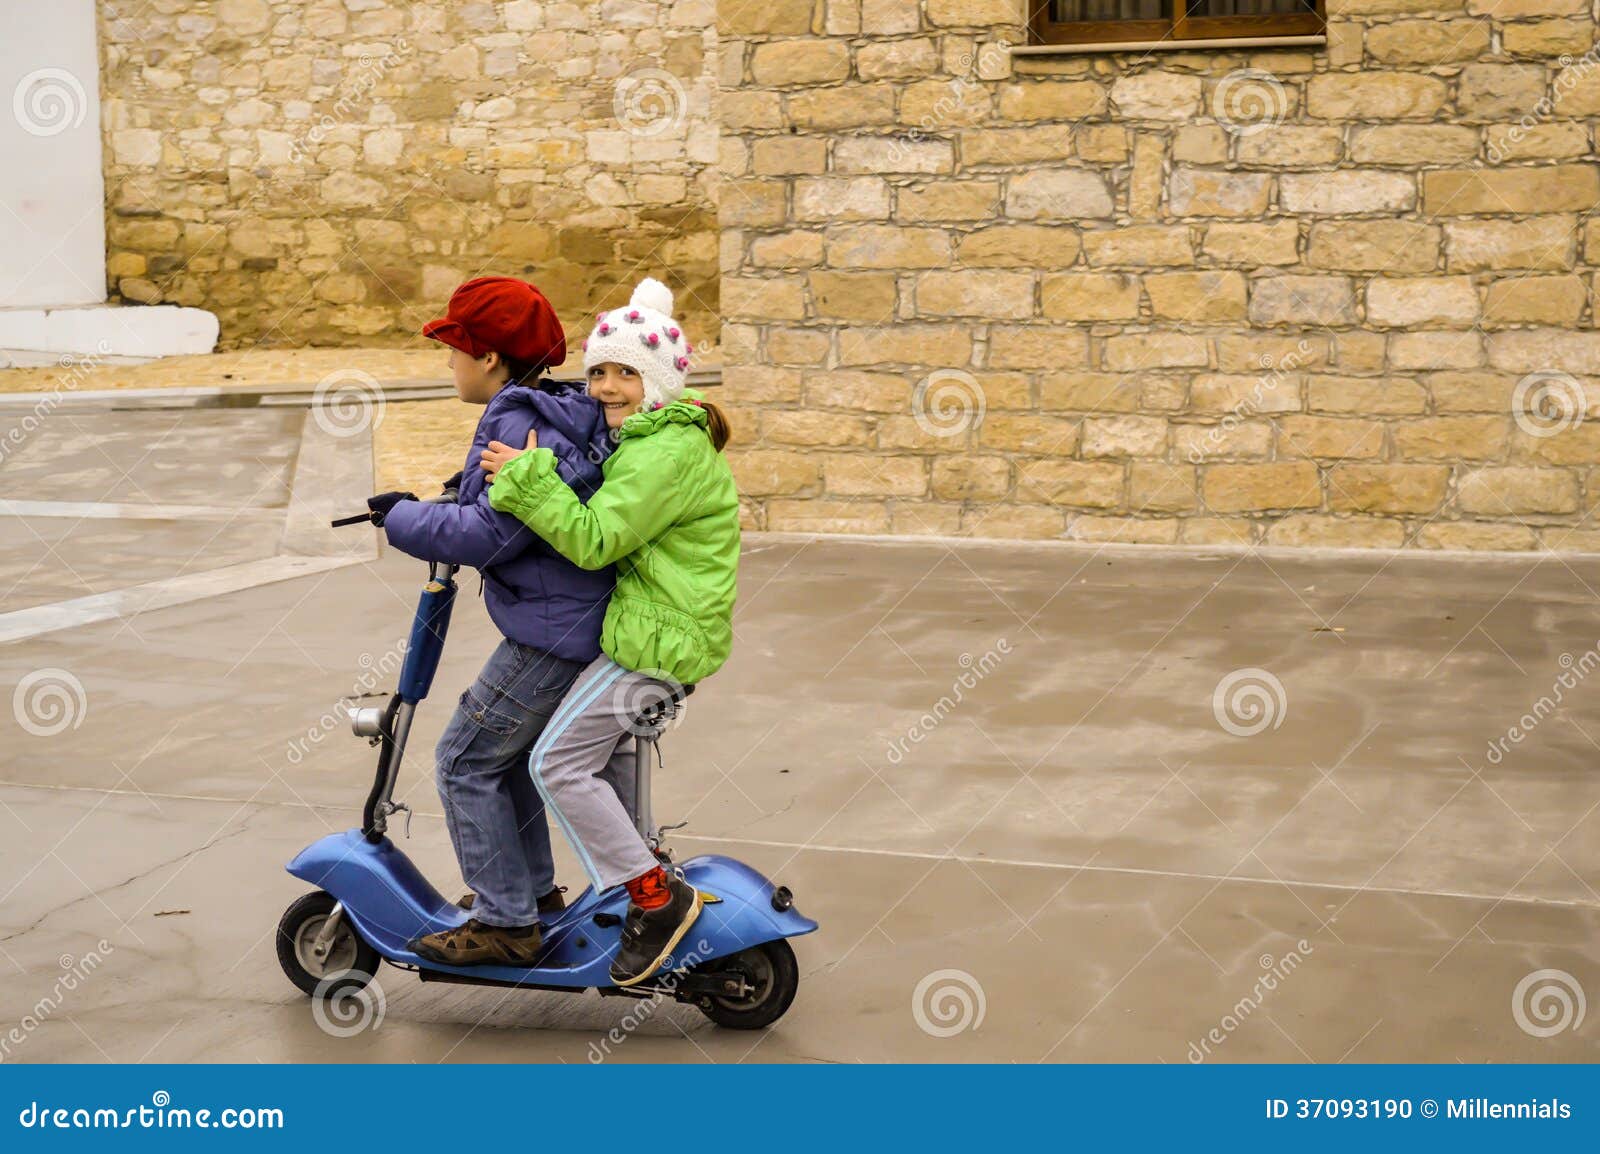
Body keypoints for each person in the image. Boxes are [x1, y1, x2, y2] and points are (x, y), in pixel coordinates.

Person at [480, 277, 739, 986]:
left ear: (657, 382)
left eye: (627, 372)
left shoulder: (662, 454)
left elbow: (595, 539)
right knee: (605, 763)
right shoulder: (658, 438)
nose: (605, 387)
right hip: (661, 633)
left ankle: (656, 900)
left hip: (657, 645)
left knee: (555, 763)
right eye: (597, 370)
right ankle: (638, 886)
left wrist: (528, 478)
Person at [369, 276, 617, 967]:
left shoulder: (517, 421)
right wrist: (438, 499)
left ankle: (506, 923)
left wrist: (400, 521)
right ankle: (529, 898)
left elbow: (493, 535)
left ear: (487, 358)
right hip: (567, 622)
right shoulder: (548, 407)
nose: (448, 363)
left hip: (552, 632)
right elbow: (490, 496)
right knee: (501, 763)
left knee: (460, 761)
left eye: (453, 348)